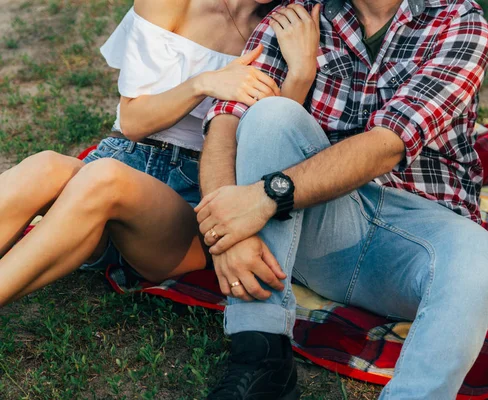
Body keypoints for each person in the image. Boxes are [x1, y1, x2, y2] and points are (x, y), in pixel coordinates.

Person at [197, 0, 488, 399]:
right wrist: (225, 228)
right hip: (318, 222)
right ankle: (260, 359)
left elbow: (389, 144)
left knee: (480, 255)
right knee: (272, 116)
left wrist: (263, 197)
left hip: (414, 238)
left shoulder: (458, 20)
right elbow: (226, 123)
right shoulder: (297, 15)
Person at [0, 0, 320, 308]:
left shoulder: (287, 23)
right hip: (126, 156)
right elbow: (133, 122)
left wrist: (301, 75)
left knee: (105, 178)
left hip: (192, 200)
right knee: (45, 166)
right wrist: (204, 84)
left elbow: (273, 139)